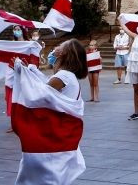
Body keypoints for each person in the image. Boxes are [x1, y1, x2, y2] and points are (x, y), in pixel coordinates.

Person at [13, 38, 88, 184]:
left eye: (59, 46)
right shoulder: (67, 76)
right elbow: (46, 88)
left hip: (53, 135)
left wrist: (23, 74)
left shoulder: (64, 76)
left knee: (46, 176)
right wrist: (30, 72)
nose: (55, 49)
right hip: (59, 134)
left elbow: (39, 94)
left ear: (64, 53)